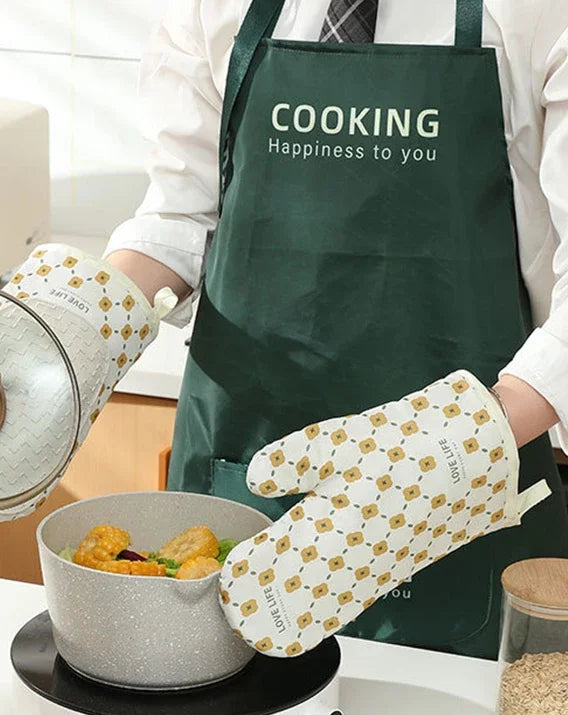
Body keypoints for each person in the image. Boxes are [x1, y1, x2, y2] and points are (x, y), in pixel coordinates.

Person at [92, 0, 568, 659]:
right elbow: (178, 218)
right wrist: (79, 324)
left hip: (456, 494)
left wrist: (453, 449)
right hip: (243, 461)